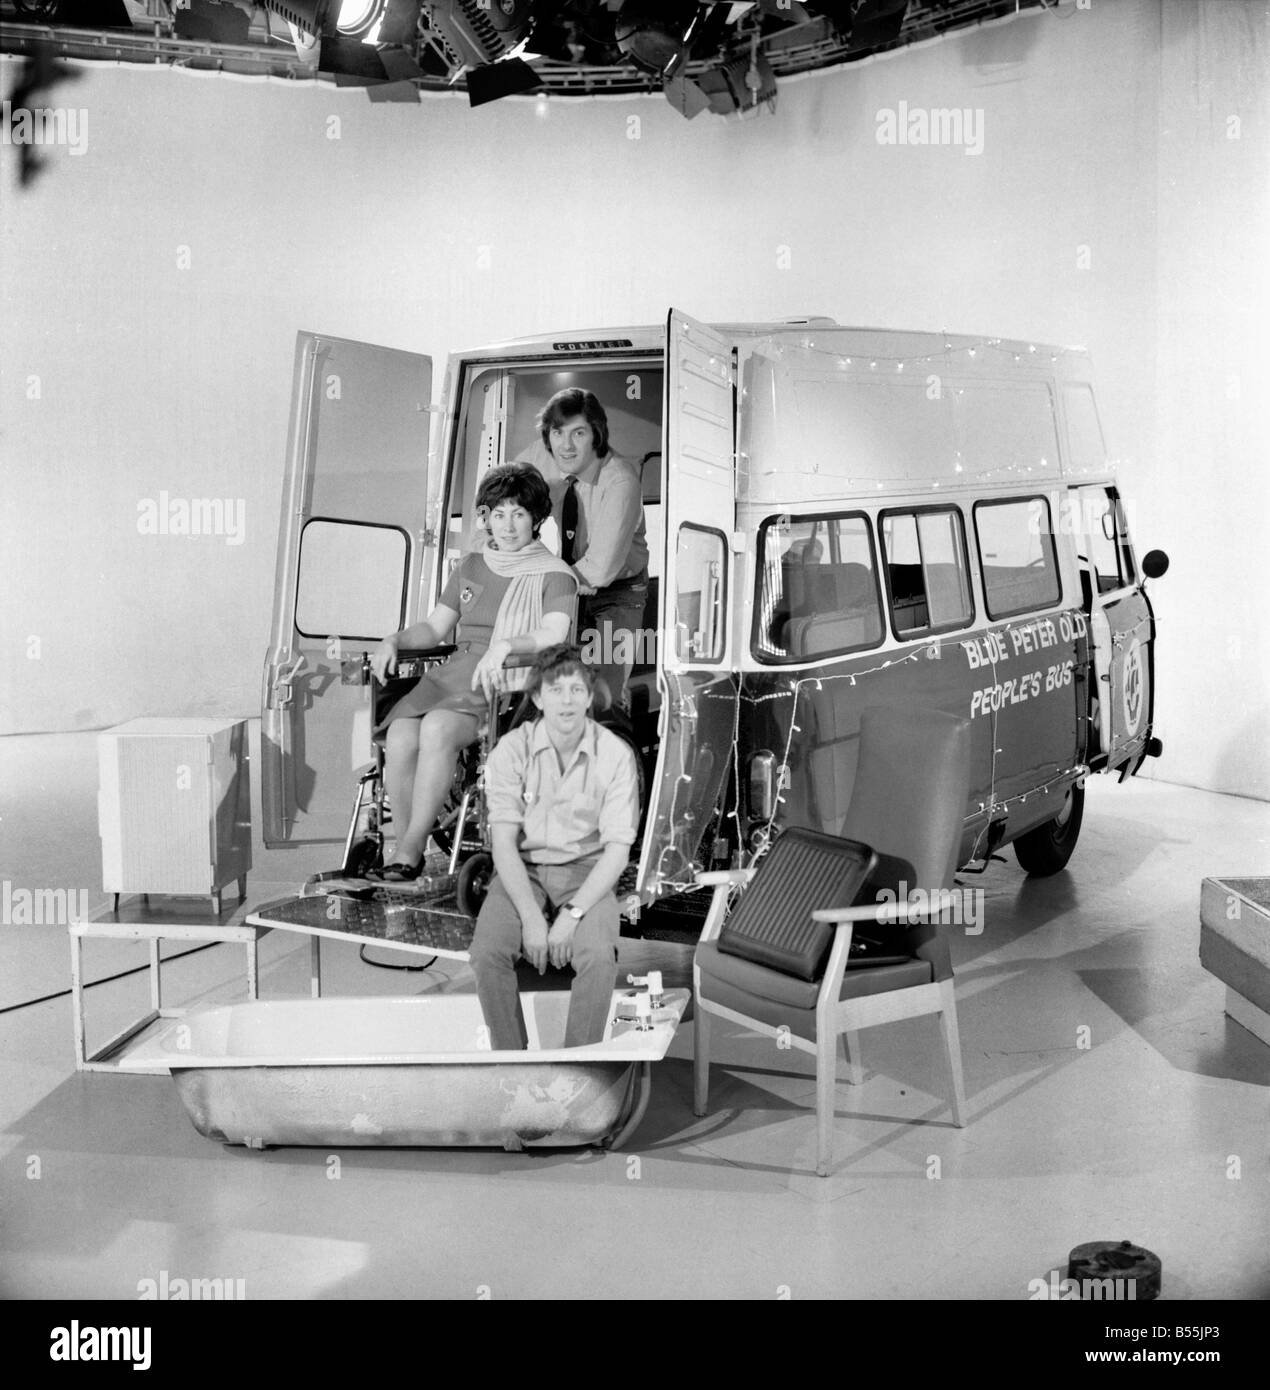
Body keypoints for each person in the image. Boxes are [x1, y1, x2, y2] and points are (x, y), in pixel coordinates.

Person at [367, 464, 577, 882]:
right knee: (402, 735)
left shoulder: (555, 574)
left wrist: (505, 645)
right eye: (498, 514)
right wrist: (394, 639)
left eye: (519, 514)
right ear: (486, 517)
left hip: (507, 679)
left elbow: (554, 634)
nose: (508, 524)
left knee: (438, 729)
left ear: (537, 519)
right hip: (458, 669)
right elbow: (434, 628)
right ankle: (408, 845)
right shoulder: (471, 567)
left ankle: (408, 851)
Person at [469, 644, 640, 1050]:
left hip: (587, 871)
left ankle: (578, 1064)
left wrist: (571, 916)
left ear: (590, 695)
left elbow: (617, 853)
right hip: (522, 871)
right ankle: (510, 1063)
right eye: (556, 690)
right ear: (537, 698)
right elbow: (505, 846)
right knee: (486, 953)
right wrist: (532, 918)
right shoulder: (510, 751)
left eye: (577, 690)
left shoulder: (615, 755)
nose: (567, 700)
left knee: (598, 957)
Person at [537, 388, 649, 713]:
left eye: (578, 433)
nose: (566, 445)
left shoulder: (620, 482)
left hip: (618, 595)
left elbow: (600, 569)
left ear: (596, 435)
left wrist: (537, 583)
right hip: (574, 590)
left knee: (602, 700)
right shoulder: (563, 478)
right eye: (558, 433)